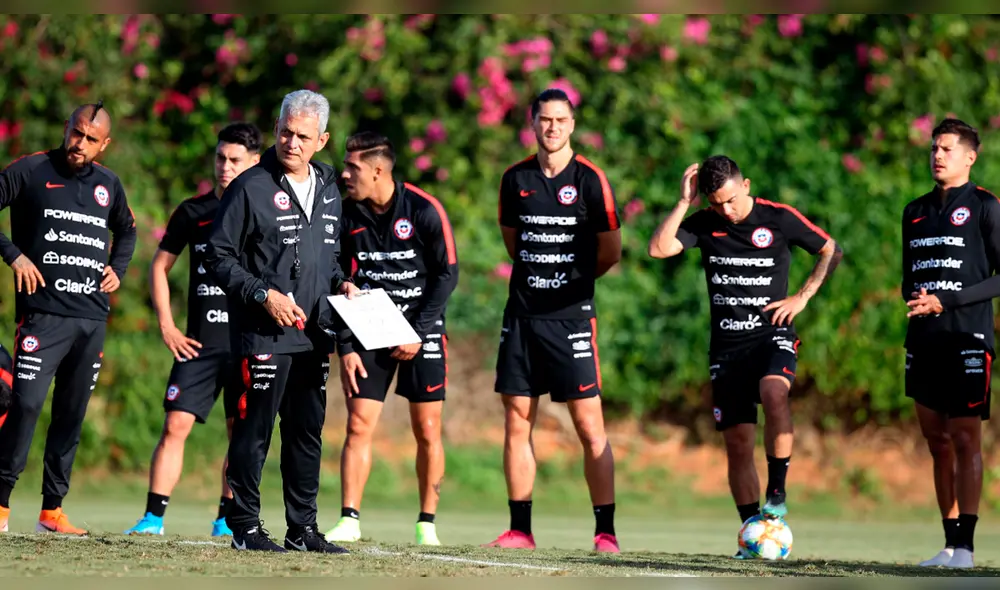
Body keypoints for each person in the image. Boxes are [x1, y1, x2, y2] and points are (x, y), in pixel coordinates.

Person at [647, 155, 841, 558]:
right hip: (727, 348)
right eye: (716, 203)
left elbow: (830, 250)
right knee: (737, 444)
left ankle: (777, 495)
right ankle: (753, 532)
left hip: (772, 336)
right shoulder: (704, 222)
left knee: (775, 394)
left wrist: (802, 297)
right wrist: (684, 203)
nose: (726, 210)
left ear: (746, 185)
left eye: (731, 200)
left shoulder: (778, 218)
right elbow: (659, 249)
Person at [205, 89, 359, 553]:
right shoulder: (249, 186)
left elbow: (326, 259)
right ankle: (245, 527)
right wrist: (261, 293)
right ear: (276, 129)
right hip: (263, 333)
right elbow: (217, 254)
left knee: (306, 432)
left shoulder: (330, 186)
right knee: (254, 433)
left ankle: (303, 529)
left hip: (315, 334)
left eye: (303, 136)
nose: (292, 142)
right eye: (285, 132)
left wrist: (344, 285)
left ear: (322, 140)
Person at [485, 89, 622, 553]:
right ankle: (520, 529)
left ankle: (606, 532)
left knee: (588, 424)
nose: (552, 128)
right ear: (533, 123)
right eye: (545, 120)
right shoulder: (514, 178)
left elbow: (611, 251)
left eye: (561, 120)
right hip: (522, 317)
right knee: (517, 419)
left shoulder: (590, 180)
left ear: (572, 124)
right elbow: (513, 243)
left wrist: (574, 283)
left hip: (571, 319)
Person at [0, 102, 137, 535]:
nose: (80, 144)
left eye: (91, 139)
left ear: (105, 144)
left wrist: (119, 267)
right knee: (24, 405)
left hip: (91, 318)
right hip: (43, 316)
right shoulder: (31, 169)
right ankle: (1, 505)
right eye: (76, 133)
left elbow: (129, 230)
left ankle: (51, 511)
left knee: (71, 413)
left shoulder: (108, 184)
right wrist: (14, 255)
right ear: (66, 127)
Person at [124, 123, 262, 537]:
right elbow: (160, 266)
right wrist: (167, 325)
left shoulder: (265, 212)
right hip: (198, 345)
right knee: (175, 425)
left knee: (241, 434)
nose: (225, 167)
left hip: (245, 344)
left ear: (255, 162)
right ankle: (152, 518)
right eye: (220, 157)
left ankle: (225, 518)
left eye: (235, 160)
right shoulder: (193, 212)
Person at [325, 131, 459, 547]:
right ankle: (349, 519)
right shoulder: (345, 215)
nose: (345, 174)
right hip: (369, 329)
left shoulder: (423, 209)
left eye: (354, 167)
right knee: (359, 424)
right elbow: (336, 278)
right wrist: (344, 346)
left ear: (379, 169)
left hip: (423, 327)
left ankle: (426, 524)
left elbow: (447, 274)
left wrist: (418, 332)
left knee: (427, 428)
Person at [902, 118, 999, 570]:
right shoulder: (914, 210)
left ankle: (968, 548)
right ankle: (948, 545)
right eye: (934, 148)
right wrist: (918, 300)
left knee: (964, 438)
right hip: (924, 340)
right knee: (936, 441)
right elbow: (910, 278)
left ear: (969, 157)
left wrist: (949, 300)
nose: (937, 156)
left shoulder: (984, 206)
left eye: (946, 149)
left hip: (968, 336)